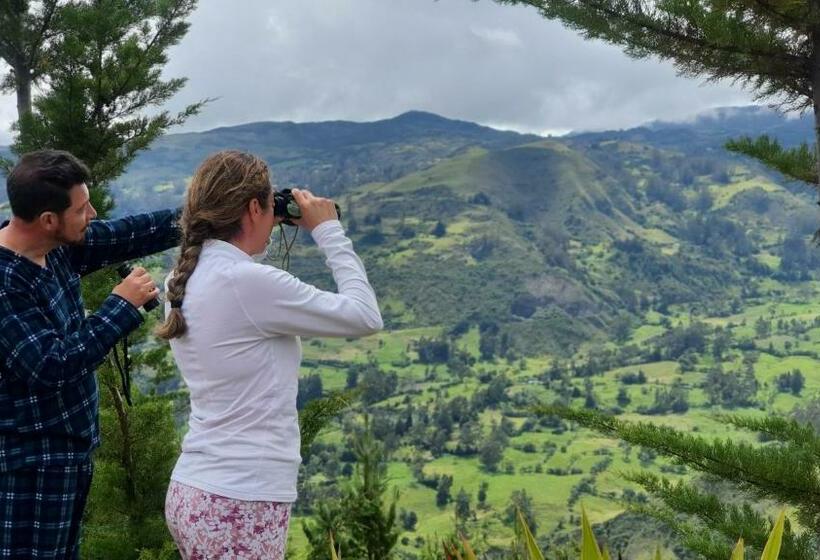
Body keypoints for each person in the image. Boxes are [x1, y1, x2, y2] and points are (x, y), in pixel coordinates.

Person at [157, 150, 382, 559]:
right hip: (241, 498)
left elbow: (241, 287)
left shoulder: (183, 278)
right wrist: (329, 231)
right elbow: (365, 317)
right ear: (254, 207)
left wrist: (257, 225)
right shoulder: (246, 283)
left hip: (199, 489)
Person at [0, 149, 181, 559]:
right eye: (82, 208)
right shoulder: (6, 282)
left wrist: (210, 215)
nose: (93, 214)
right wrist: (122, 306)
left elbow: (132, 233)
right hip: (29, 463)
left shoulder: (56, 247)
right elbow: (51, 364)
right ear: (49, 219)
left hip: (67, 453)